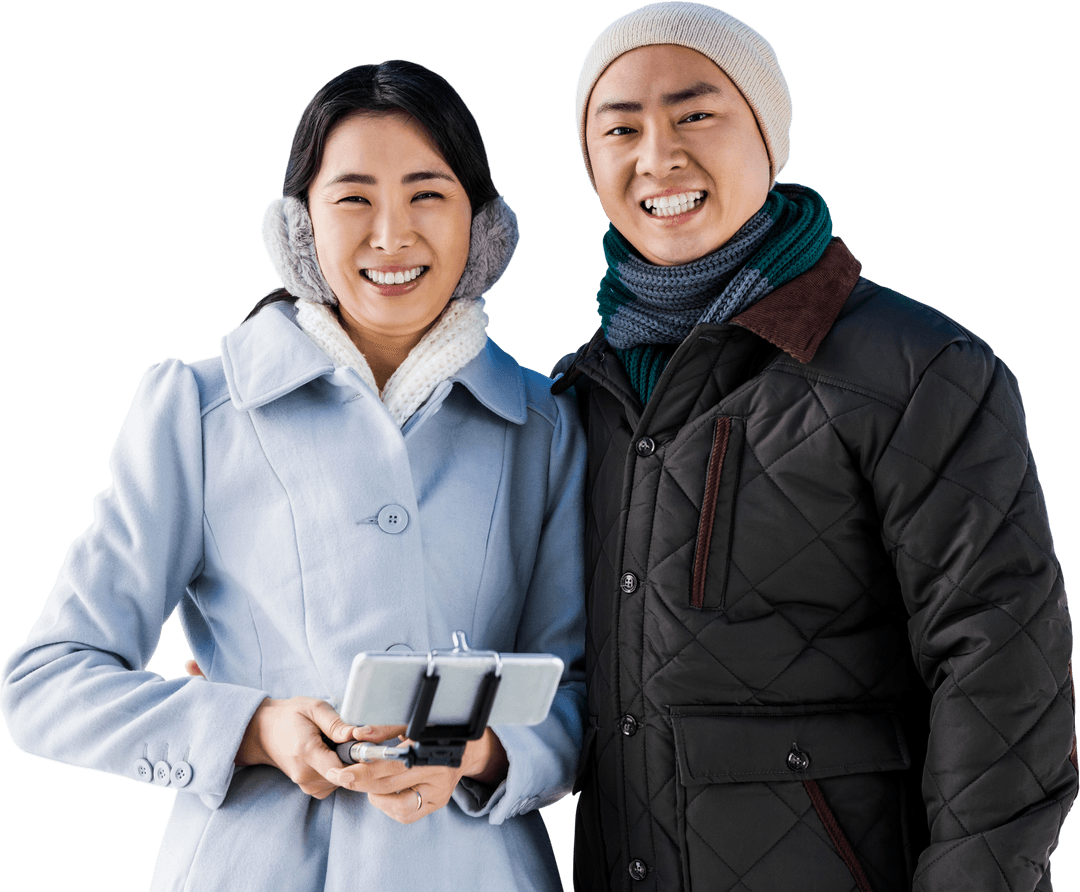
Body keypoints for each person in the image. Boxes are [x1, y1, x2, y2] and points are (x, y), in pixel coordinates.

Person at [1, 60, 585, 891]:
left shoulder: (547, 428)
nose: (391, 234)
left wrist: (484, 751)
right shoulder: (200, 412)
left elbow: (587, 698)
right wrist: (251, 727)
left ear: (483, 229)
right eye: (353, 198)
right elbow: (47, 682)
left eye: (427, 193)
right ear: (300, 228)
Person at [553, 3, 1076, 890]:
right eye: (620, 127)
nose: (658, 155)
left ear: (768, 135)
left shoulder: (917, 370)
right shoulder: (583, 393)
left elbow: (1001, 666)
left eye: (695, 114)